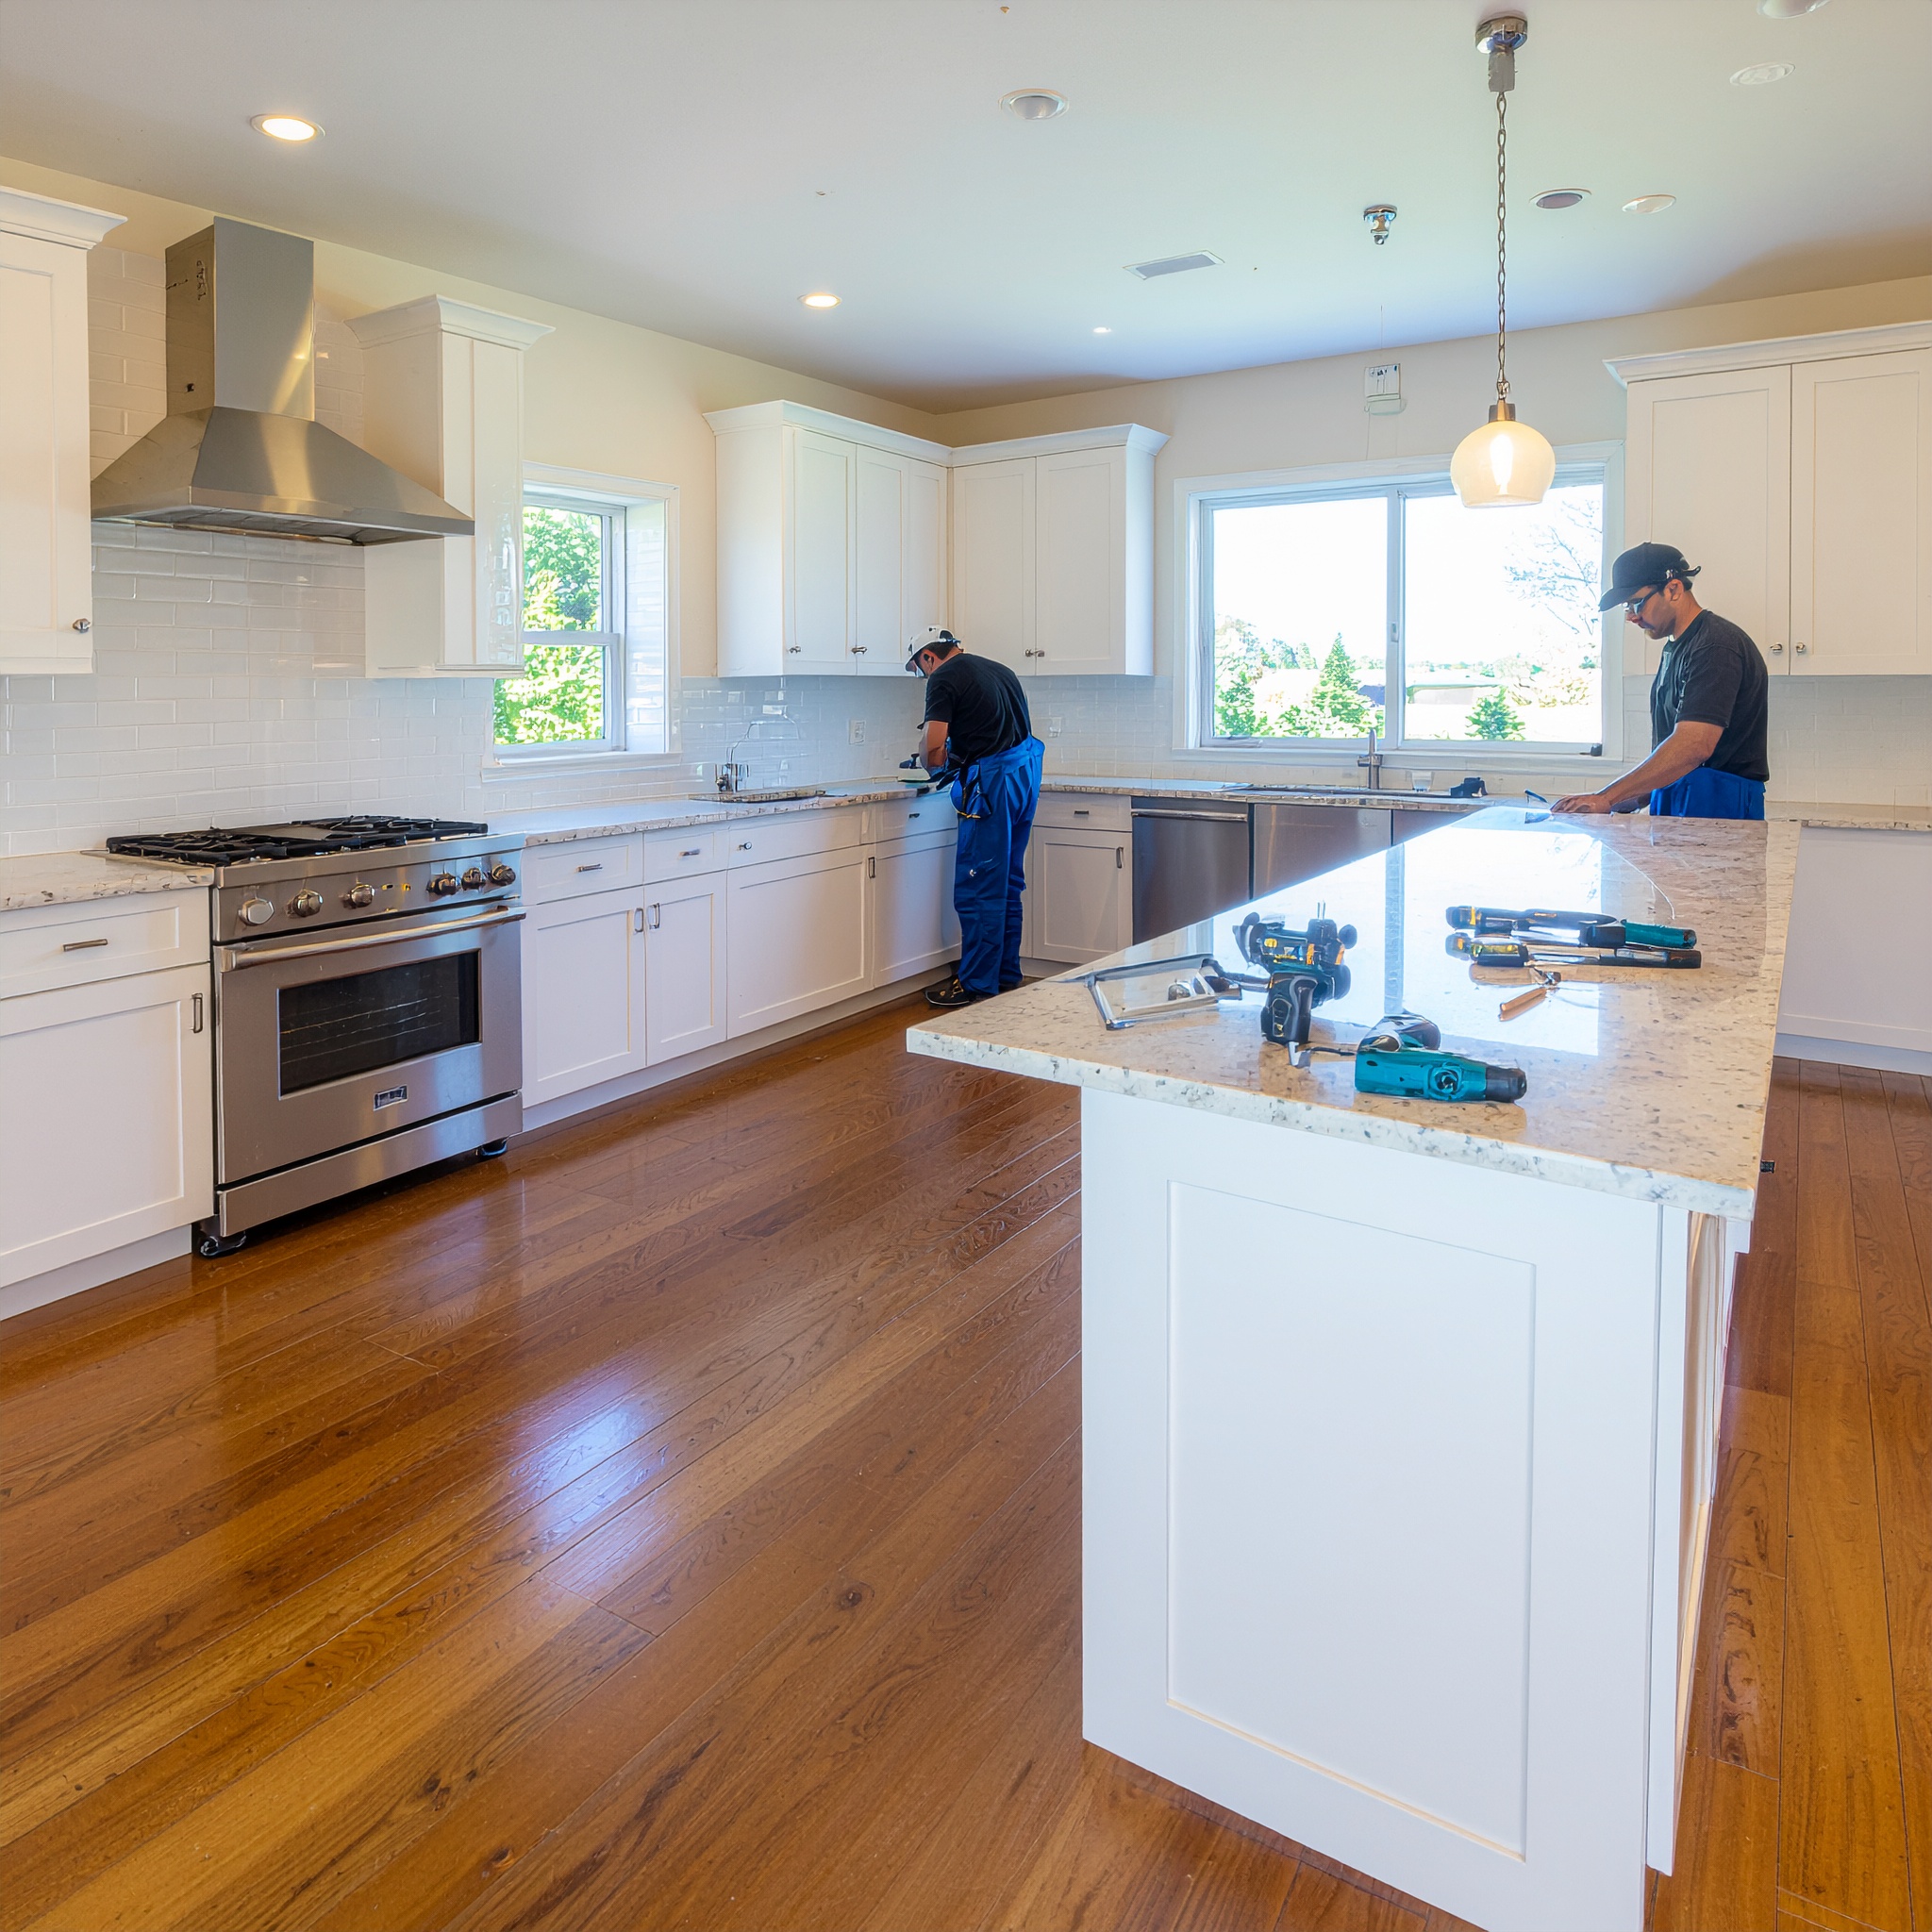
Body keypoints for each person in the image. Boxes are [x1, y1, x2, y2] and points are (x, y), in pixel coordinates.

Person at [1552, 541, 1769, 820]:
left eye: (1637, 602)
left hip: (1720, 802)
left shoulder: (1715, 645)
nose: (1632, 616)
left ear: (1674, 589)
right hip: (1680, 797)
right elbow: (1671, 754)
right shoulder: (1675, 648)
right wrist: (1622, 801)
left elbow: (1693, 746)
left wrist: (1607, 797)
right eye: (1627, 607)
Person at [906, 626, 1044, 1008]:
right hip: (1024, 775)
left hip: (993, 785)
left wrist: (928, 759)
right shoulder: (1000, 669)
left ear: (929, 657)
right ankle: (1004, 974)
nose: (923, 676)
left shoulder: (945, 677)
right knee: (1007, 881)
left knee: (979, 884)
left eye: (920, 668)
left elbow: (934, 749)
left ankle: (976, 984)